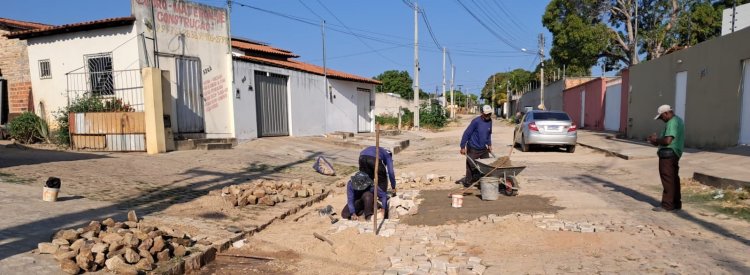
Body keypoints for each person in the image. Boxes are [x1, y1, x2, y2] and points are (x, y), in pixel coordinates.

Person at [342, 146, 397, 220]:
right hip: (359, 199)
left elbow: (383, 194)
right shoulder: (350, 184)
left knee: (368, 193)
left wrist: (384, 208)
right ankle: (365, 207)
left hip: (362, 157)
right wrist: (352, 213)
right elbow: (390, 172)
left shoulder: (369, 184)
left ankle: (375, 207)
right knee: (345, 214)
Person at [647, 104, 685, 212]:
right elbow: (664, 141)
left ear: (666, 113)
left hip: (668, 154)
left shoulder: (672, 122)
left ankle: (667, 205)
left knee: (667, 179)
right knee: (673, 179)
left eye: (661, 117)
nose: (661, 119)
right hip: (673, 153)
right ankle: (676, 203)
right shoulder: (677, 120)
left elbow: (667, 141)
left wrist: (656, 140)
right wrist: (655, 141)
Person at [460, 105, 494, 187]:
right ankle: (468, 182)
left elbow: (488, 133)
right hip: (473, 147)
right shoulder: (476, 121)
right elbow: (467, 133)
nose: (488, 116)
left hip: (483, 148)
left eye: (489, 114)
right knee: (471, 165)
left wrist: (489, 144)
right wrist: (462, 146)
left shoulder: (490, 121)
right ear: (482, 113)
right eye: (486, 114)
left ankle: (484, 181)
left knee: (487, 165)